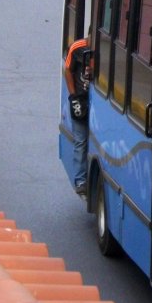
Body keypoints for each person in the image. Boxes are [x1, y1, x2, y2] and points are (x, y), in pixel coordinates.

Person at [64, 31, 92, 196]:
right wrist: (73, 96)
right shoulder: (77, 47)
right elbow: (67, 70)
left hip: (96, 103)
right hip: (80, 100)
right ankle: (81, 181)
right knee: (81, 142)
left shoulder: (107, 49)